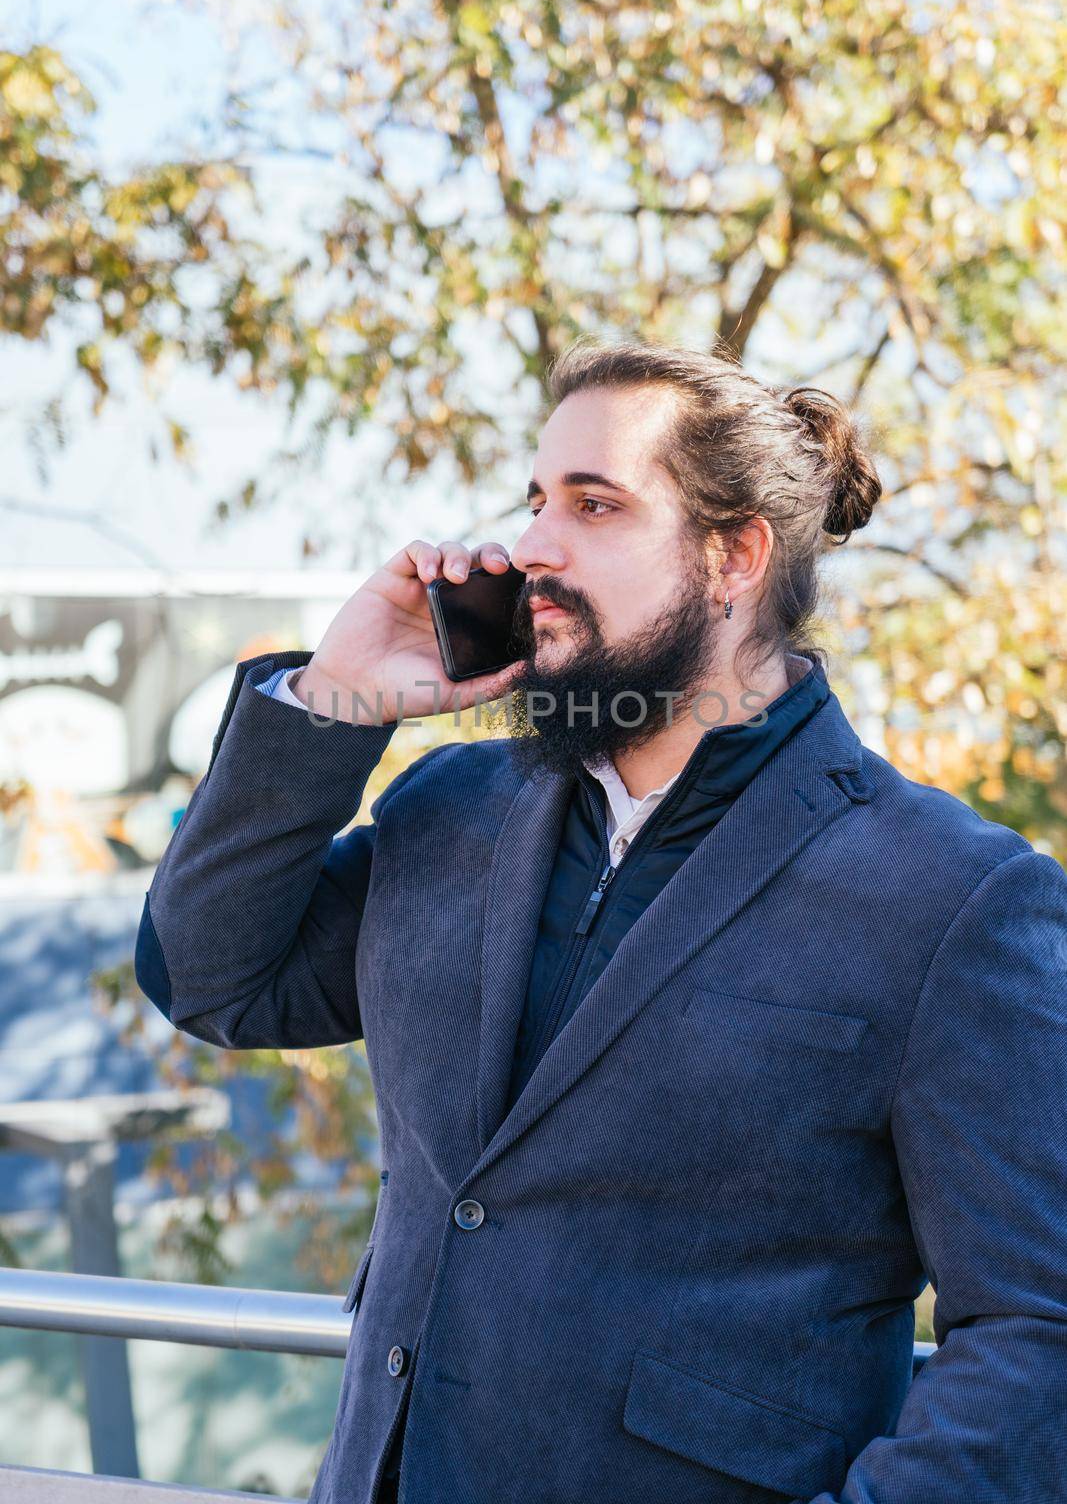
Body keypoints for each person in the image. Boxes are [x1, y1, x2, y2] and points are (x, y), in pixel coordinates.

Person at [135, 336, 1067, 1504]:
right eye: (534, 501)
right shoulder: (447, 810)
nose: (529, 546)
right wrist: (333, 703)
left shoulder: (949, 897)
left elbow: (1038, 1332)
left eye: (594, 504)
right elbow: (211, 977)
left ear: (733, 556)